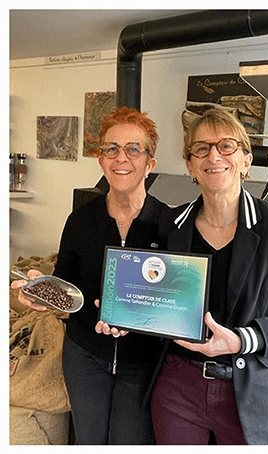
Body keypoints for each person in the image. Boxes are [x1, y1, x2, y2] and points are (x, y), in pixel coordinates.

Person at [149, 108, 268, 445]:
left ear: (246, 160)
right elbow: (154, 294)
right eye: (200, 148)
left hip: (253, 391)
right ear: (190, 165)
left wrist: (243, 340)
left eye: (226, 146)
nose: (213, 155)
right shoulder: (171, 224)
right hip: (178, 387)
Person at [11, 107, 170, 445]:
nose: (120, 158)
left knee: (130, 442)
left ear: (149, 163)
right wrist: (42, 290)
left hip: (140, 362)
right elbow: (65, 281)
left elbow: (172, 299)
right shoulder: (81, 220)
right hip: (85, 356)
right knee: (88, 441)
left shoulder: (169, 224)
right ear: (100, 160)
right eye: (110, 148)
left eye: (133, 149)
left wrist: (136, 318)